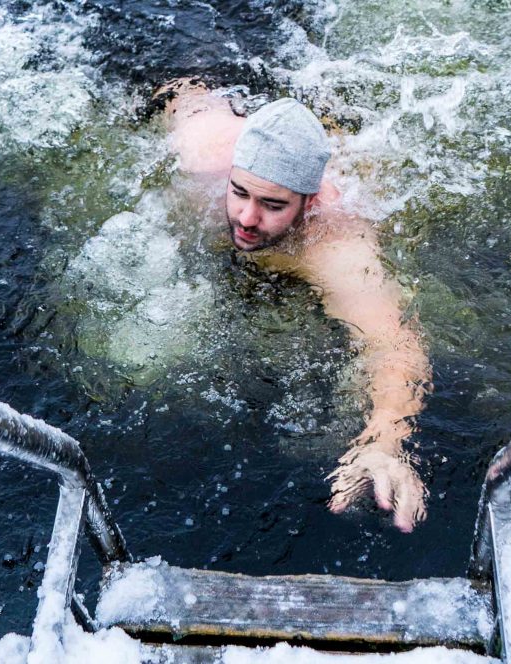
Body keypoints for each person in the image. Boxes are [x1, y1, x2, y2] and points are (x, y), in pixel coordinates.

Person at [160, 80, 433, 533]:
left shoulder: (336, 247)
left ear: (310, 202)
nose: (247, 219)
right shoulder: (204, 148)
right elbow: (176, 92)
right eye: (240, 193)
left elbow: (395, 344)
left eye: (273, 205)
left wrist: (386, 441)